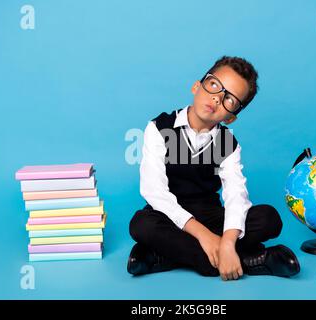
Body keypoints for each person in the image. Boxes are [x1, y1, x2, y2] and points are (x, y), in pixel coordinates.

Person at [127, 56, 300, 280]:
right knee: (141, 225)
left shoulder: (228, 144)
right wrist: (205, 236)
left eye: (230, 99)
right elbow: (155, 192)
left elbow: (235, 194)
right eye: (214, 85)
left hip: (210, 214)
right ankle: (252, 260)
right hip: (168, 215)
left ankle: (161, 256)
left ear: (231, 118)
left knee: (269, 218)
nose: (217, 98)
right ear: (196, 86)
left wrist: (227, 241)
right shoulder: (160, 128)